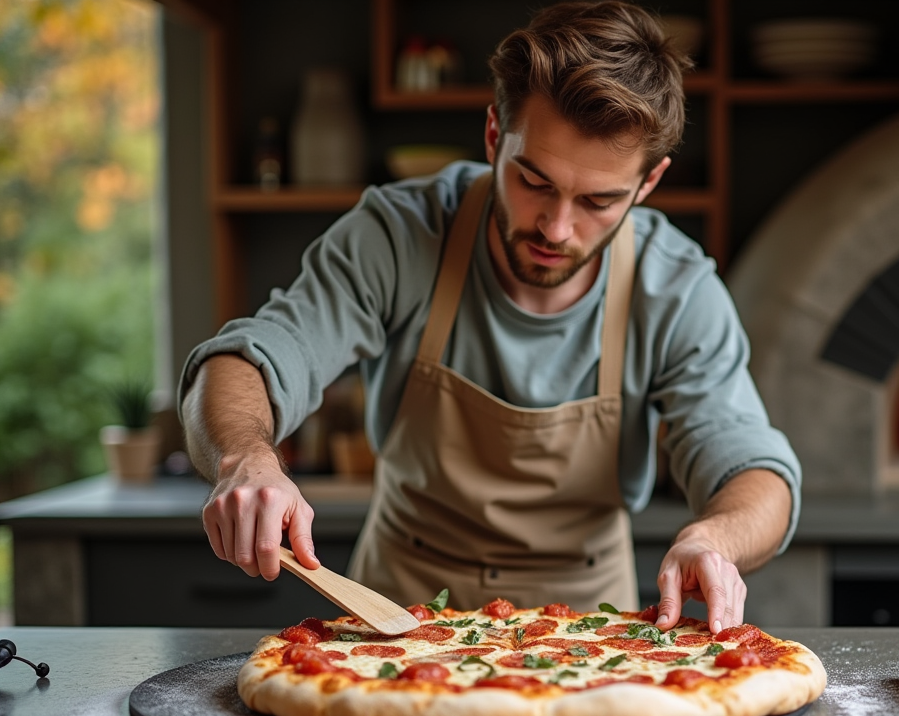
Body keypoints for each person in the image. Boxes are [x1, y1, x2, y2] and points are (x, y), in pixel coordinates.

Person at [178, 0, 800, 634]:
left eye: (599, 201)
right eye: (534, 180)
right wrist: (246, 460)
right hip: (396, 620)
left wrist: (716, 537)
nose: (557, 228)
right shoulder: (398, 235)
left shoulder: (677, 290)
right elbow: (245, 359)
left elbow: (756, 472)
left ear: (648, 183)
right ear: (494, 138)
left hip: (591, 634)